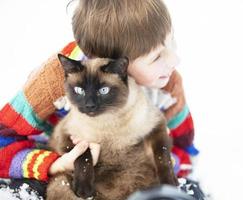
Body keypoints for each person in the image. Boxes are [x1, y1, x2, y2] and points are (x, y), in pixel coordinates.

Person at [0, 0, 200, 198]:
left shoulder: (167, 83)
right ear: (113, 62)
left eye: (172, 42)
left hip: (127, 171)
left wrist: (163, 159)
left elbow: (184, 148)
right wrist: (54, 164)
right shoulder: (50, 83)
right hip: (65, 166)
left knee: (187, 190)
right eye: (156, 57)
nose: (174, 60)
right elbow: (2, 141)